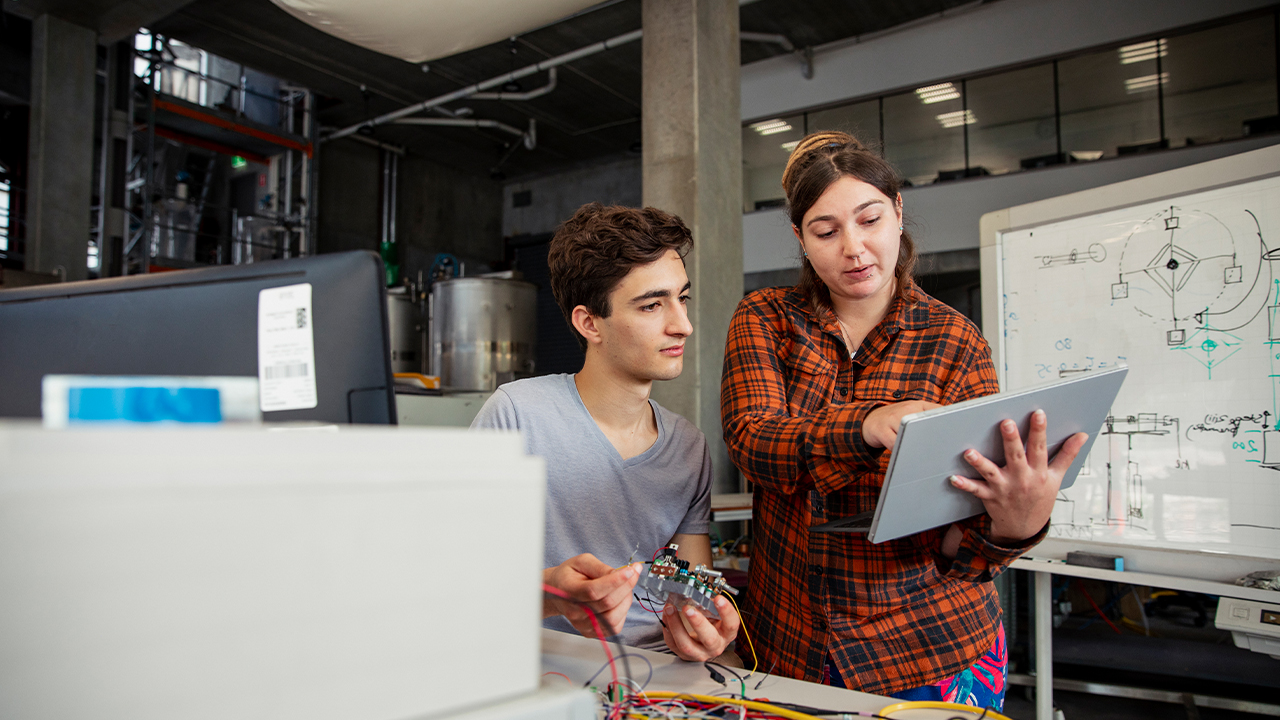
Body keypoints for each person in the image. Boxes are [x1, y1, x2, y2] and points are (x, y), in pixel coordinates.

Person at [719, 131, 1087, 707]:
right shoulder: (766, 318)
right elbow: (753, 441)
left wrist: (1017, 524)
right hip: (791, 641)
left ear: (895, 212)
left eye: (869, 220)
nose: (853, 247)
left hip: (926, 647)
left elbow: (962, 546)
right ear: (801, 239)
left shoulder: (957, 342)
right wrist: (866, 426)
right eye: (826, 231)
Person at [472, 202, 740, 661]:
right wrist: (551, 593)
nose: (683, 325)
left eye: (683, 298)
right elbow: (454, 582)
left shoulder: (689, 447)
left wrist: (708, 632)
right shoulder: (517, 416)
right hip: (553, 668)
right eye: (653, 305)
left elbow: (693, 592)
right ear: (589, 323)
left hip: (665, 676)